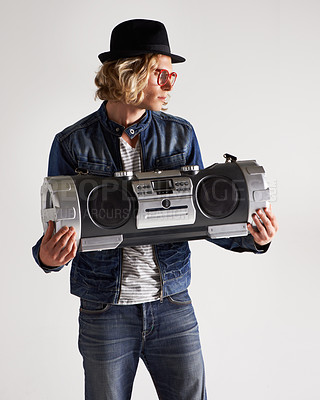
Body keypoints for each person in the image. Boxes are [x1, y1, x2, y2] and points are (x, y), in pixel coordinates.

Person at [32, 19, 278, 400]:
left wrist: (253, 238)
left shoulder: (181, 134)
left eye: (173, 76)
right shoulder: (71, 143)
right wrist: (47, 258)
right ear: (130, 73)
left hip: (172, 304)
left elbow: (202, 217)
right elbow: (56, 234)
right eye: (161, 74)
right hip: (105, 309)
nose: (169, 85)